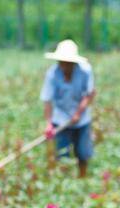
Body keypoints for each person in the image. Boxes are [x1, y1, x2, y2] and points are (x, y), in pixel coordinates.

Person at [40, 39, 96, 178]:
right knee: (62, 154)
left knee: (83, 152)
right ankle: (63, 183)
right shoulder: (52, 74)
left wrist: (78, 114)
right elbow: (47, 100)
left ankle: (82, 178)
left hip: (81, 119)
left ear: (74, 62)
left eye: (68, 63)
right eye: (61, 62)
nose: (64, 66)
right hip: (60, 119)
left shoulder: (85, 71)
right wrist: (48, 124)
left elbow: (89, 94)